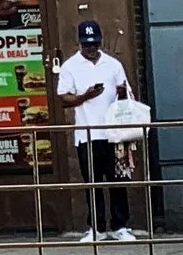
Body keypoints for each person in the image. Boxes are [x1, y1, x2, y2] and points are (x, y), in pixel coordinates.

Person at [55, 19, 134, 243]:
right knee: (92, 182)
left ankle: (120, 225)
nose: (91, 49)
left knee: (118, 181)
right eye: (87, 45)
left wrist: (120, 92)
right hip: (87, 134)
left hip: (114, 132)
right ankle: (96, 227)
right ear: (80, 43)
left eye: (94, 44)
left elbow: (126, 93)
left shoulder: (113, 64)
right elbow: (63, 99)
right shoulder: (70, 66)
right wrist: (84, 96)